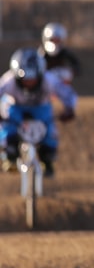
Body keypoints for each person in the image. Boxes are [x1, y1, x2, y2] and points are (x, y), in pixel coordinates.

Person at [0, 48, 78, 177]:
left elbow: (67, 93)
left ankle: (47, 160)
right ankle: (10, 155)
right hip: (15, 108)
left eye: (33, 79)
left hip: (41, 108)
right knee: (7, 125)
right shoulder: (9, 80)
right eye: (25, 79)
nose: (29, 83)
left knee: (50, 129)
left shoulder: (49, 80)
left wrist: (69, 109)